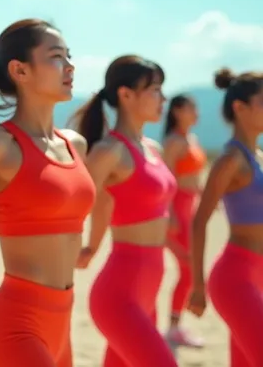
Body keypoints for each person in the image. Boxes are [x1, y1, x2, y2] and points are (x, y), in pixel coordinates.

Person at [0, 19, 95, 366]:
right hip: (16, 324)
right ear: (20, 70)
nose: (70, 66)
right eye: (57, 57)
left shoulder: (76, 145)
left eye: (69, 56)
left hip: (64, 322)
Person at [73, 55, 178, 366]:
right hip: (120, 292)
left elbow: (106, 202)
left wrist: (93, 243)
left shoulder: (153, 149)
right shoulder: (110, 151)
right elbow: (74, 201)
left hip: (150, 288)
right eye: (155, 90)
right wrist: (80, 248)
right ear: (126, 94)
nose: (163, 98)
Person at [188, 68, 263, 366]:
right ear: (239, 107)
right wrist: (197, 285)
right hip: (235, 278)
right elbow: (199, 220)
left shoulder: (257, 155)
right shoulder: (230, 159)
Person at [160, 94, 206, 348]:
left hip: (191, 210)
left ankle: (176, 326)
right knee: (188, 270)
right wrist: (171, 215)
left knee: (190, 270)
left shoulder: (192, 139)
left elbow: (193, 177)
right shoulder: (174, 142)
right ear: (177, 111)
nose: (196, 112)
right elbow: (166, 181)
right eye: (192, 107)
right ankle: (174, 327)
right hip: (177, 211)